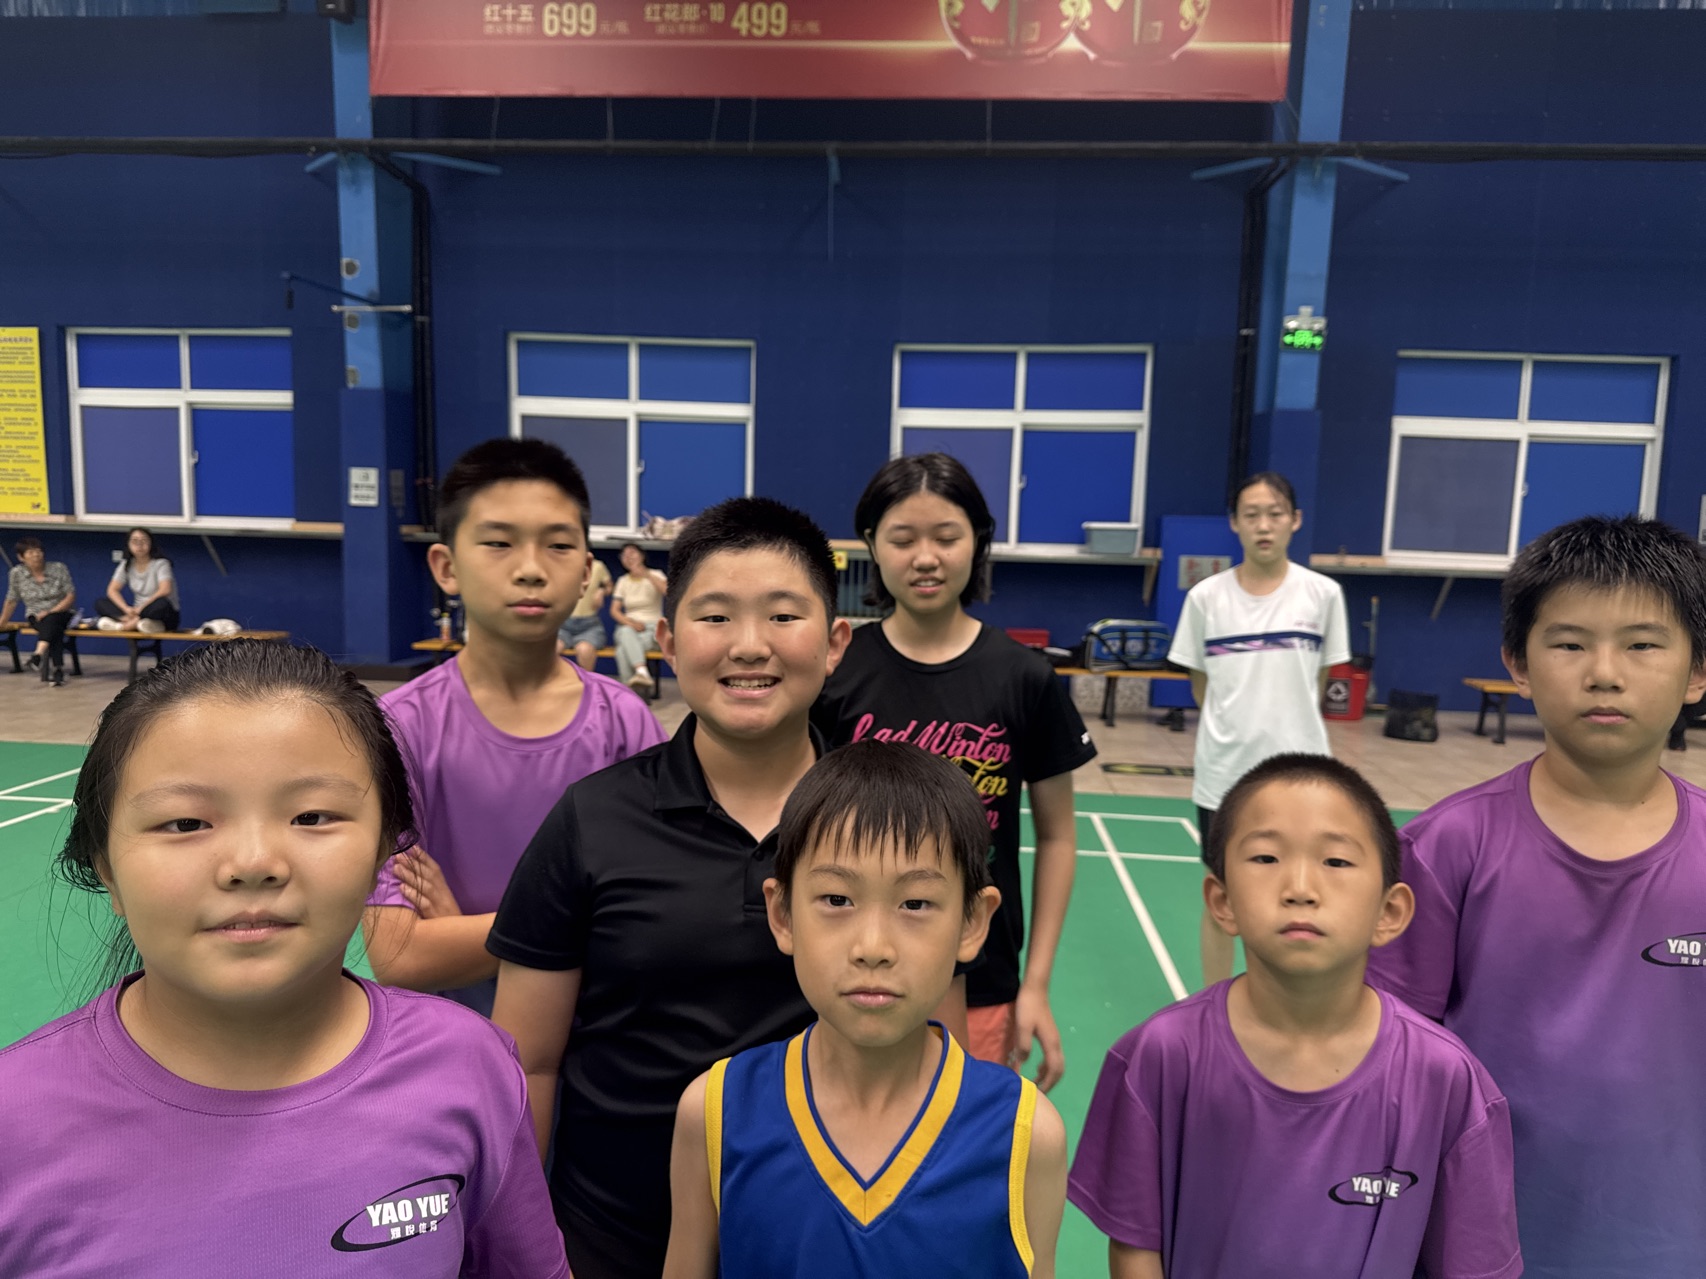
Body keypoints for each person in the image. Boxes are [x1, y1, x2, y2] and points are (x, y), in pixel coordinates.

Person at [0, 641, 567, 1276]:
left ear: (384, 848)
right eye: (185, 824)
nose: (253, 864)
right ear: (105, 865)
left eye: (312, 816)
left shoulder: (470, 1064)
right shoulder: (12, 1122)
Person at [487, 497, 852, 1279]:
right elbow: (529, 1063)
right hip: (610, 1237)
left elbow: (936, 1051)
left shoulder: (885, 827)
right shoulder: (592, 819)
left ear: (834, 642)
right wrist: (520, 1247)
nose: (749, 644)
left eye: (783, 615)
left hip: (826, 1242)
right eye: (715, 616)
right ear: (668, 640)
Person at [1366, 514, 1706, 1279]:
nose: (1605, 672)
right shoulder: (1445, 848)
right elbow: (1386, 1070)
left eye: (1643, 644)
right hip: (1478, 1250)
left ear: (1698, 671)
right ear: (1518, 663)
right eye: (1570, 643)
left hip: (1674, 1247)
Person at [1070, 753, 1521, 1279]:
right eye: (1266, 858)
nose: (1301, 888)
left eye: (1336, 862)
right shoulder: (1158, 1056)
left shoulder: (1448, 1081)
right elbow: (1134, 1249)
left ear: (1390, 911)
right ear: (1221, 901)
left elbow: (1473, 1265)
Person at [662, 740, 1068, 1279]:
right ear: (782, 914)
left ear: (973, 922)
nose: (872, 946)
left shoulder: (1026, 1135)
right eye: (837, 900)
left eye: (915, 903)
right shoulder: (713, 1112)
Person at [813, 453, 1095, 1090]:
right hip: (851, 969)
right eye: (902, 539)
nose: (925, 558)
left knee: (962, 1139)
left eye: (946, 537)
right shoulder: (837, 673)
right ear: (871, 545)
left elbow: (1057, 836)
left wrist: (1035, 985)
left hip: (983, 978)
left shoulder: (1024, 678)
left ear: (978, 542)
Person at [362, 439, 664, 1015]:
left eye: (558, 545)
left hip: (599, 1038)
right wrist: (576, 922)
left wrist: (472, 930)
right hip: (451, 1037)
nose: (530, 569)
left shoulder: (626, 724)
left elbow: (654, 924)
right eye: (499, 543)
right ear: (446, 567)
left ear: (585, 572)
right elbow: (399, 955)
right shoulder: (398, 729)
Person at [1168, 472, 1350, 986]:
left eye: (1275, 514)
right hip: (1224, 776)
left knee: (1297, 893)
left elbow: (1319, 682)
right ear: (1234, 523)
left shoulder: (1323, 594)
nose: (1263, 526)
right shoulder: (1206, 598)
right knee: (1223, 894)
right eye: (1251, 515)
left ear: (1295, 520)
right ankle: (1213, 1005)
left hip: (1304, 777)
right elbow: (1202, 686)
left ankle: (1282, 999)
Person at [1, 536, 75, 687]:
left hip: (62, 612)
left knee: (52, 620)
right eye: (30, 552)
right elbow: (12, 599)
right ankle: (57, 670)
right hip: (35, 615)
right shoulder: (17, 573)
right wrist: (2, 622)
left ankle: (38, 655)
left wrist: (50, 611)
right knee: (53, 629)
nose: (36, 555)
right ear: (21, 557)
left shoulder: (58, 568)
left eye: (38, 551)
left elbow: (70, 596)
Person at [95, 526, 179, 633]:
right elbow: (112, 590)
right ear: (128, 544)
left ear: (151, 543)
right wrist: (126, 609)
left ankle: (122, 626)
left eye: (144, 541)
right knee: (100, 603)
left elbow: (165, 590)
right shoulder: (126, 564)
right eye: (135, 541)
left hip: (160, 614)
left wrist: (141, 608)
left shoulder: (161, 563)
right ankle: (131, 622)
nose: (139, 545)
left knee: (162, 604)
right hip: (135, 613)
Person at [611, 541, 668, 693]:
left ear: (642, 556)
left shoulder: (656, 574)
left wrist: (646, 574)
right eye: (624, 555)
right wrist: (630, 623)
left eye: (632, 553)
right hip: (628, 626)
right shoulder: (623, 581)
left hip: (653, 628)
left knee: (622, 650)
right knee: (625, 632)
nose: (628, 557)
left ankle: (629, 694)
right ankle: (642, 672)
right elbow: (614, 610)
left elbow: (667, 592)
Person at [560, 552, 613, 671]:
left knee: (584, 650)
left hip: (588, 625)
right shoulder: (559, 564)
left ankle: (586, 682)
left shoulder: (597, 566)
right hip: (563, 624)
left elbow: (609, 586)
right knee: (552, 648)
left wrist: (602, 590)